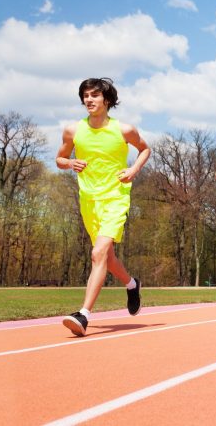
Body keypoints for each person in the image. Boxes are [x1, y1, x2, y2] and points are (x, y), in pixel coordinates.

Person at [56, 78, 150, 336]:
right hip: (88, 200)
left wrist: (133, 169)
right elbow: (60, 157)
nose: (89, 99)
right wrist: (69, 164)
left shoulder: (124, 130)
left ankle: (83, 314)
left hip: (116, 198)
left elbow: (144, 149)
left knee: (98, 254)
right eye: (85, 95)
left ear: (106, 100)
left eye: (94, 95)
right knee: (106, 258)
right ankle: (132, 284)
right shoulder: (73, 130)